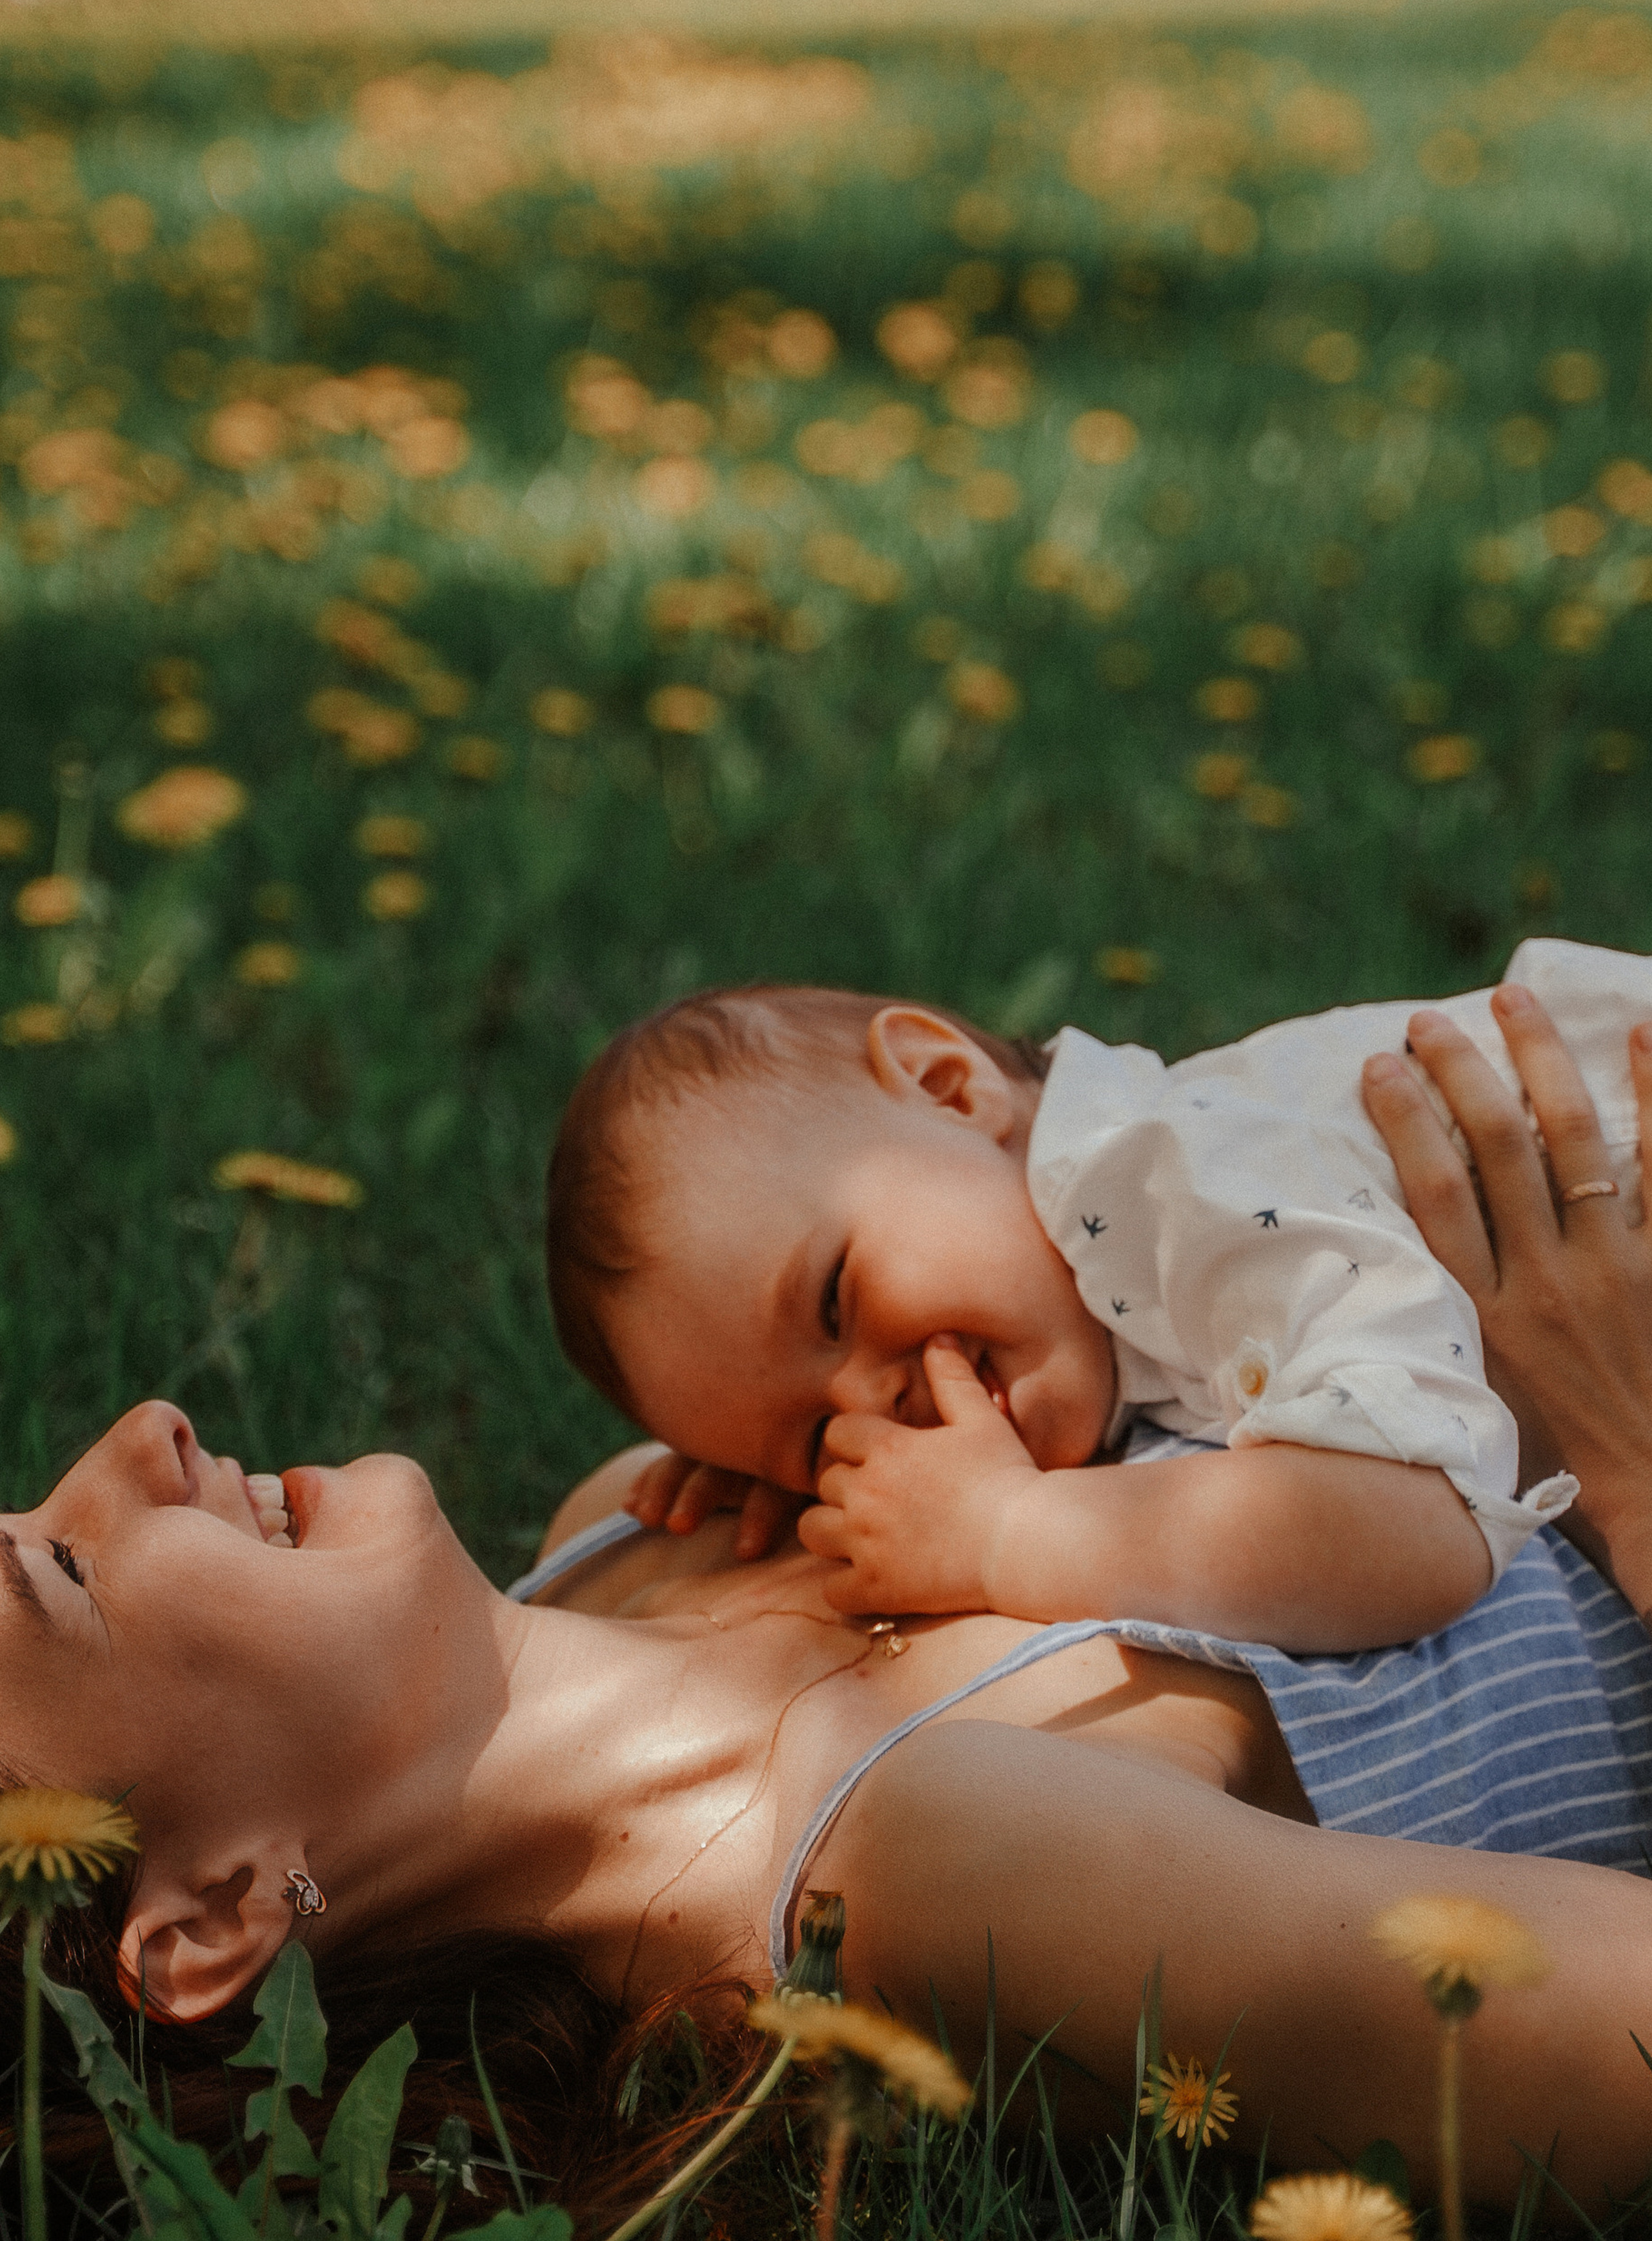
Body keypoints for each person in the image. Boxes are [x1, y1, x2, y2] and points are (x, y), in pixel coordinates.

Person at [10, 987, 1652, 2231]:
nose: (135, 1437)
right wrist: (1625, 1446)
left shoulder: (635, 1518)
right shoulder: (930, 1857)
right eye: (63, 1575)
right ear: (212, 1916)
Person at [545, 942, 1652, 1652]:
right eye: (815, 1435)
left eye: (837, 1298)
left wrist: (1012, 1530)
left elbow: (1416, 1529)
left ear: (948, 1085)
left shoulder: (1172, 1188)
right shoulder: (1104, 1277)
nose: (879, 1404)